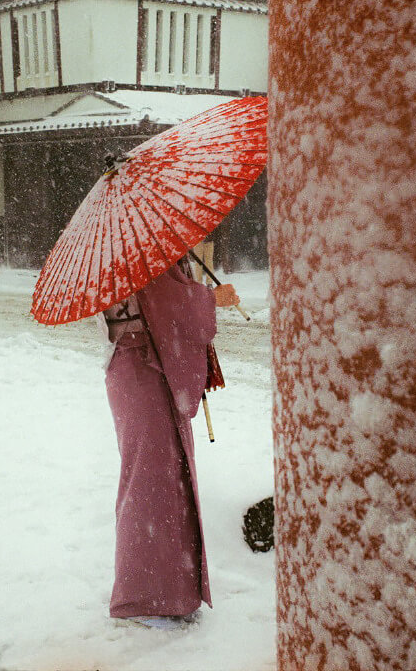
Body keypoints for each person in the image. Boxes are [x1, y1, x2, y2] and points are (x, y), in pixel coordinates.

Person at [98, 256, 240, 630]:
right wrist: (212, 298)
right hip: (144, 371)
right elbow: (176, 308)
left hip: (137, 369)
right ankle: (146, 597)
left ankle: (164, 592)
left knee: (156, 480)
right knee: (153, 483)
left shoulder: (122, 248)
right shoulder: (143, 254)